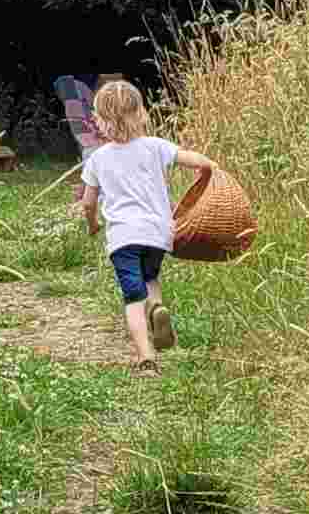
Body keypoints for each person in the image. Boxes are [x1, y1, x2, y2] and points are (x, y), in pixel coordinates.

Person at [78, 76, 213, 369]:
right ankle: (158, 307)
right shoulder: (155, 146)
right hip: (158, 233)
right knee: (150, 278)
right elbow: (197, 161)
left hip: (123, 237)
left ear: (98, 120)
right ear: (141, 113)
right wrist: (211, 169)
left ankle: (146, 357)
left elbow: (88, 203)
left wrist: (92, 224)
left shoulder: (97, 159)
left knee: (132, 297)